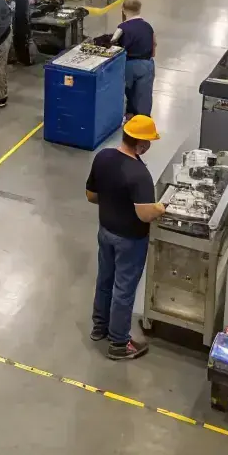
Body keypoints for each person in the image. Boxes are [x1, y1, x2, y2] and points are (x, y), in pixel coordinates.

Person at [85, 115, 165, 360]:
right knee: (124, 289)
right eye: (149, 141)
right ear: (141, 144)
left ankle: (100, 327)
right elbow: (144, 214)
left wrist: (114, 202)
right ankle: (119, 343)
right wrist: (161, 208)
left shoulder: (103, 157)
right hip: (130, 240)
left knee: (105, 280)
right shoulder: (139, 174)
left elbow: (91, 195)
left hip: (106, 232)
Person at [94, 0, 156, 116]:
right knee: (144, 95)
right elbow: (154, 45)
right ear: (139, 9)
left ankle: (129, 115)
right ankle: (144, 119)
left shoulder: (122, 28)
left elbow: (112, 45)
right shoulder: (148, 26)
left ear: (123, 10)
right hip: (147, 64)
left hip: (129, 64)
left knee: (127, 93)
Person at [7, 0, 33, 65]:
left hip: (17, 19)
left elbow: (12, 5)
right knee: (21, 39)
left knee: (18, 39)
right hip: (22, 18)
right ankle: (23, 59)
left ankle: (21, 59)